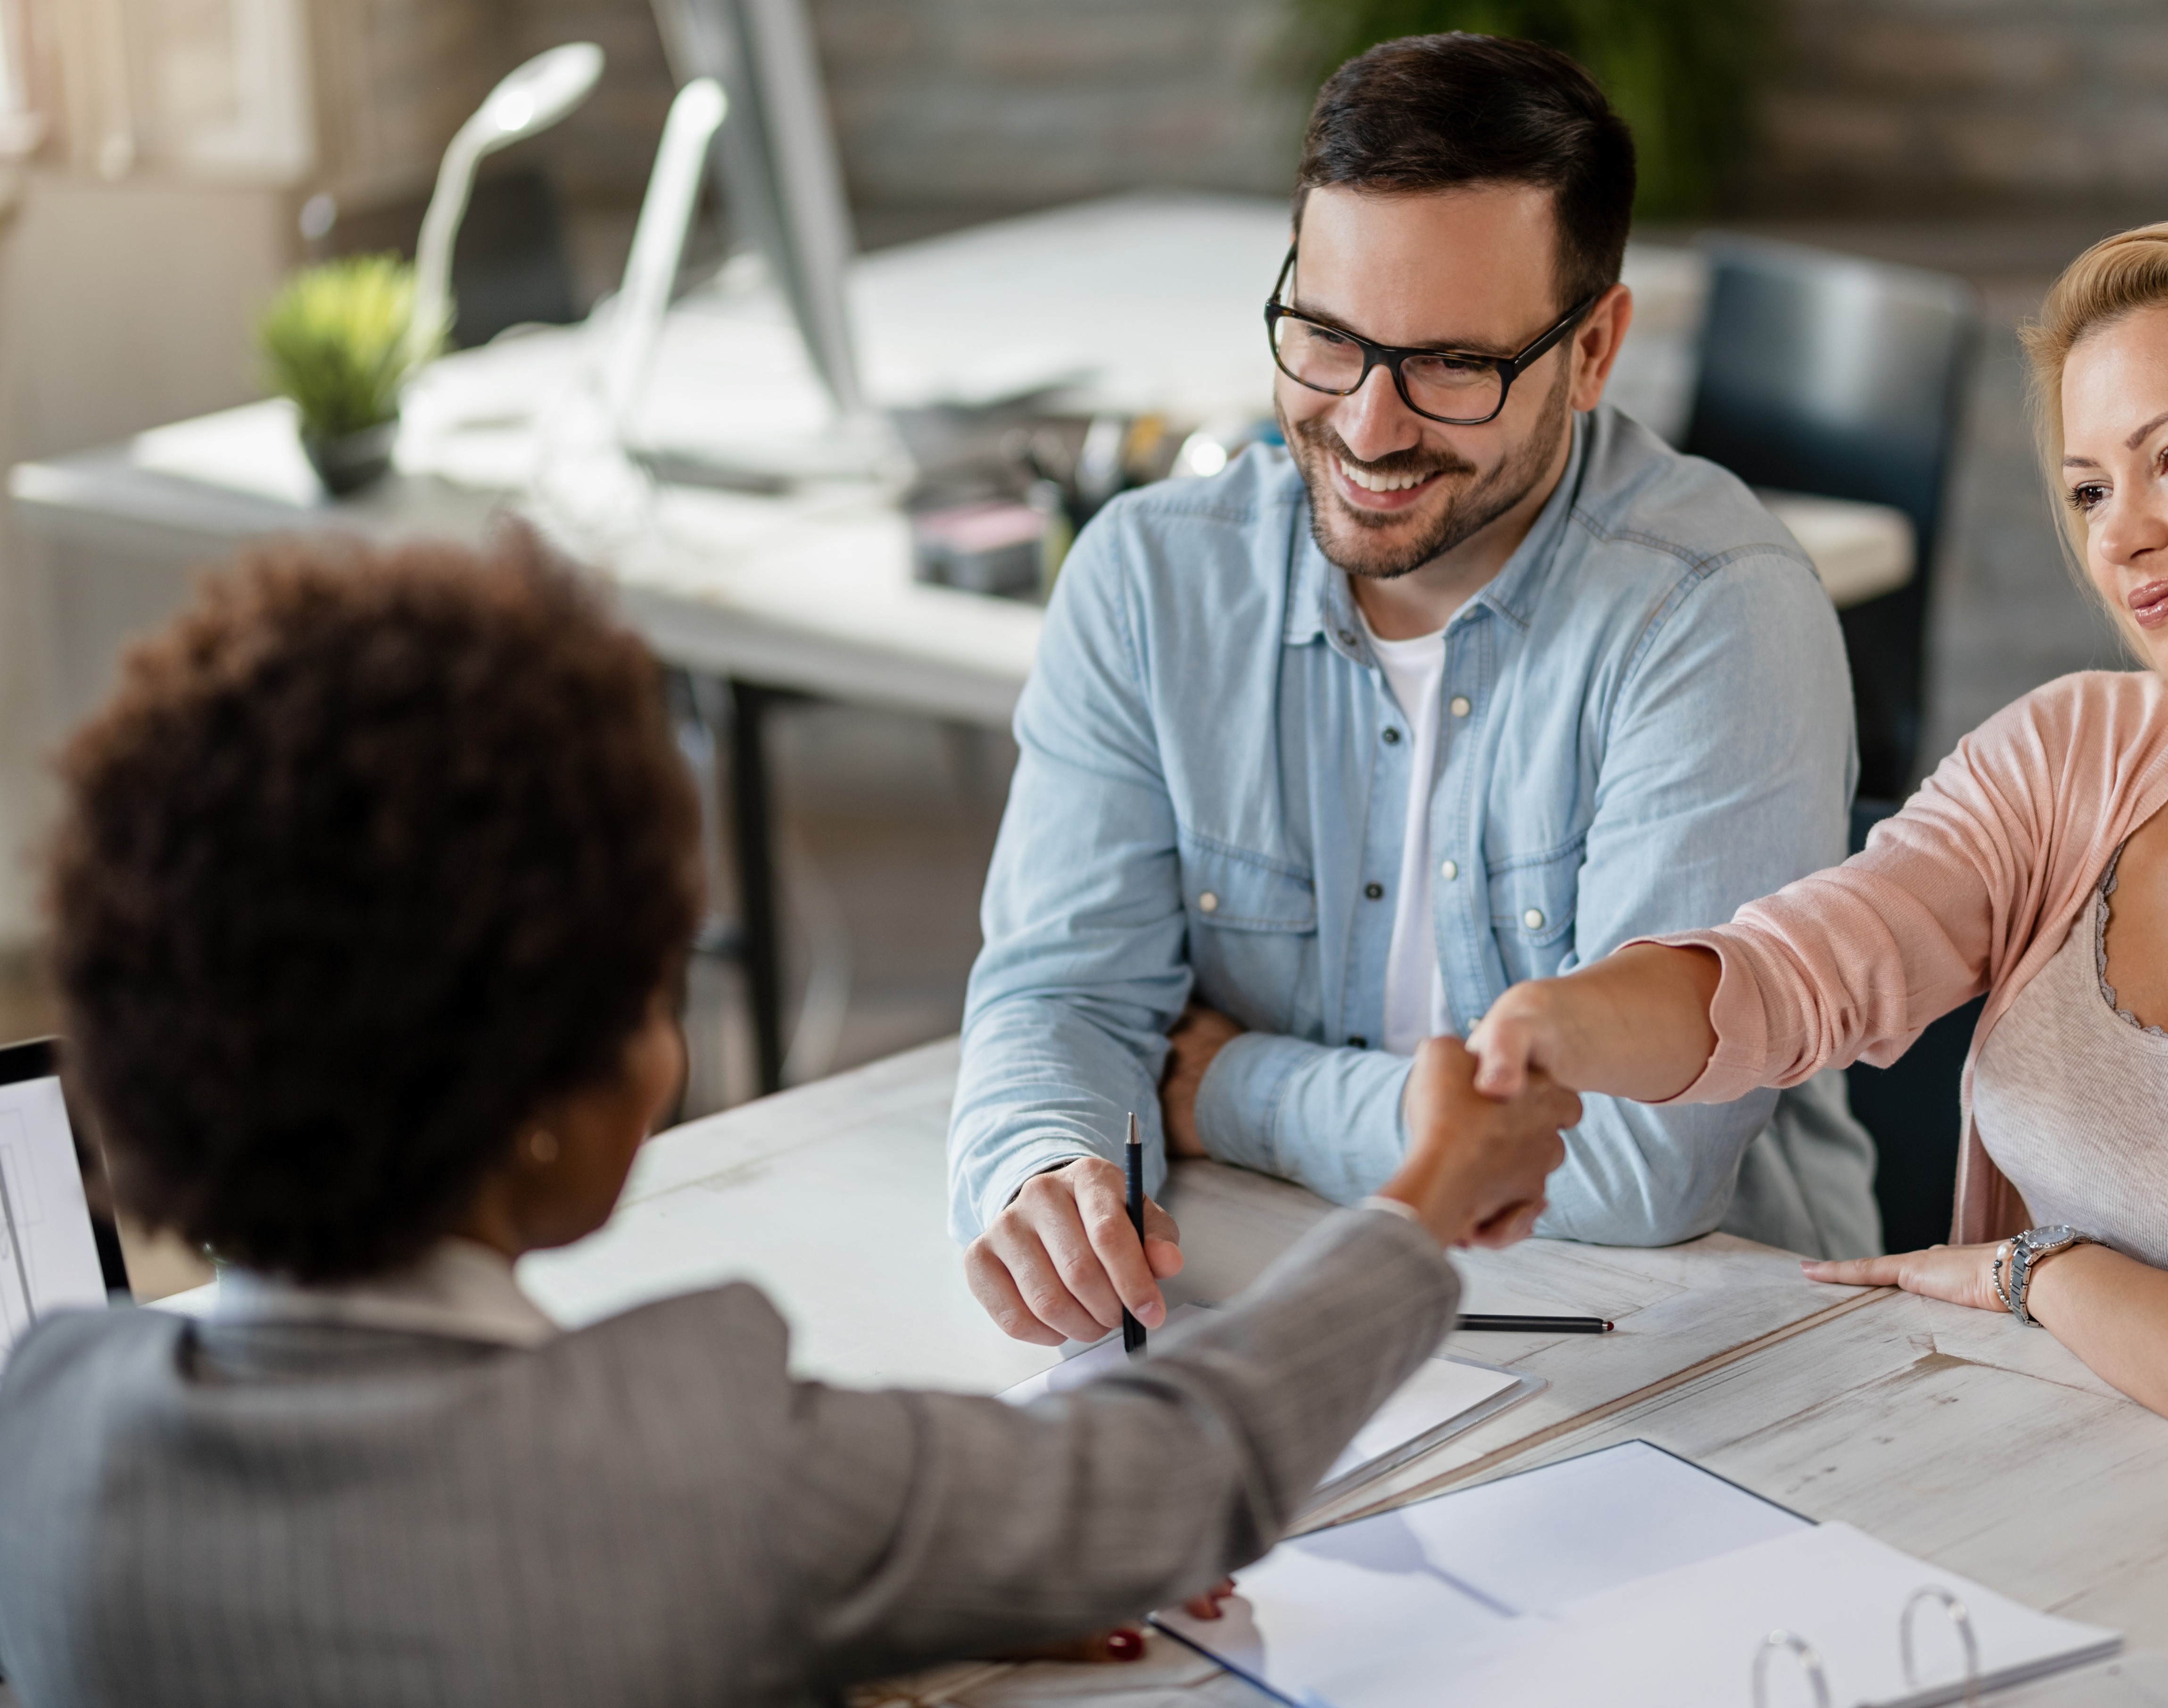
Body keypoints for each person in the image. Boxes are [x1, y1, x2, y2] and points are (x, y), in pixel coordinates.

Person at [0, 532, 1578, 1706]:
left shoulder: (48, 1424)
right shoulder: (695, 1469)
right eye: (651, 990)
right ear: (540, 1105)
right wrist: (1424, 1199)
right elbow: (1172, 1477)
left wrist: (844, 1603)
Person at [1465, 206, 2168, 1459]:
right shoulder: (2072, 753)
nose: (2122, 535)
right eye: (2090, 489)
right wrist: (1551, 1028)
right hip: (2050, 1465)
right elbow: (1799, 971)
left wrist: (2027, 1272)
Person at [949, 32, 1877, 1351]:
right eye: (1327, 338)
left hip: (1699, 1350)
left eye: (1451, 365)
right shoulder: (1150, 582)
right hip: (1271, 1290)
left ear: (1593, 349)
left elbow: (1637, 1166)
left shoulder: (1714, 610)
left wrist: (1235, 1088)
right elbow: (1063, 998)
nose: (1369, 427)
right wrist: (1046, 1165)